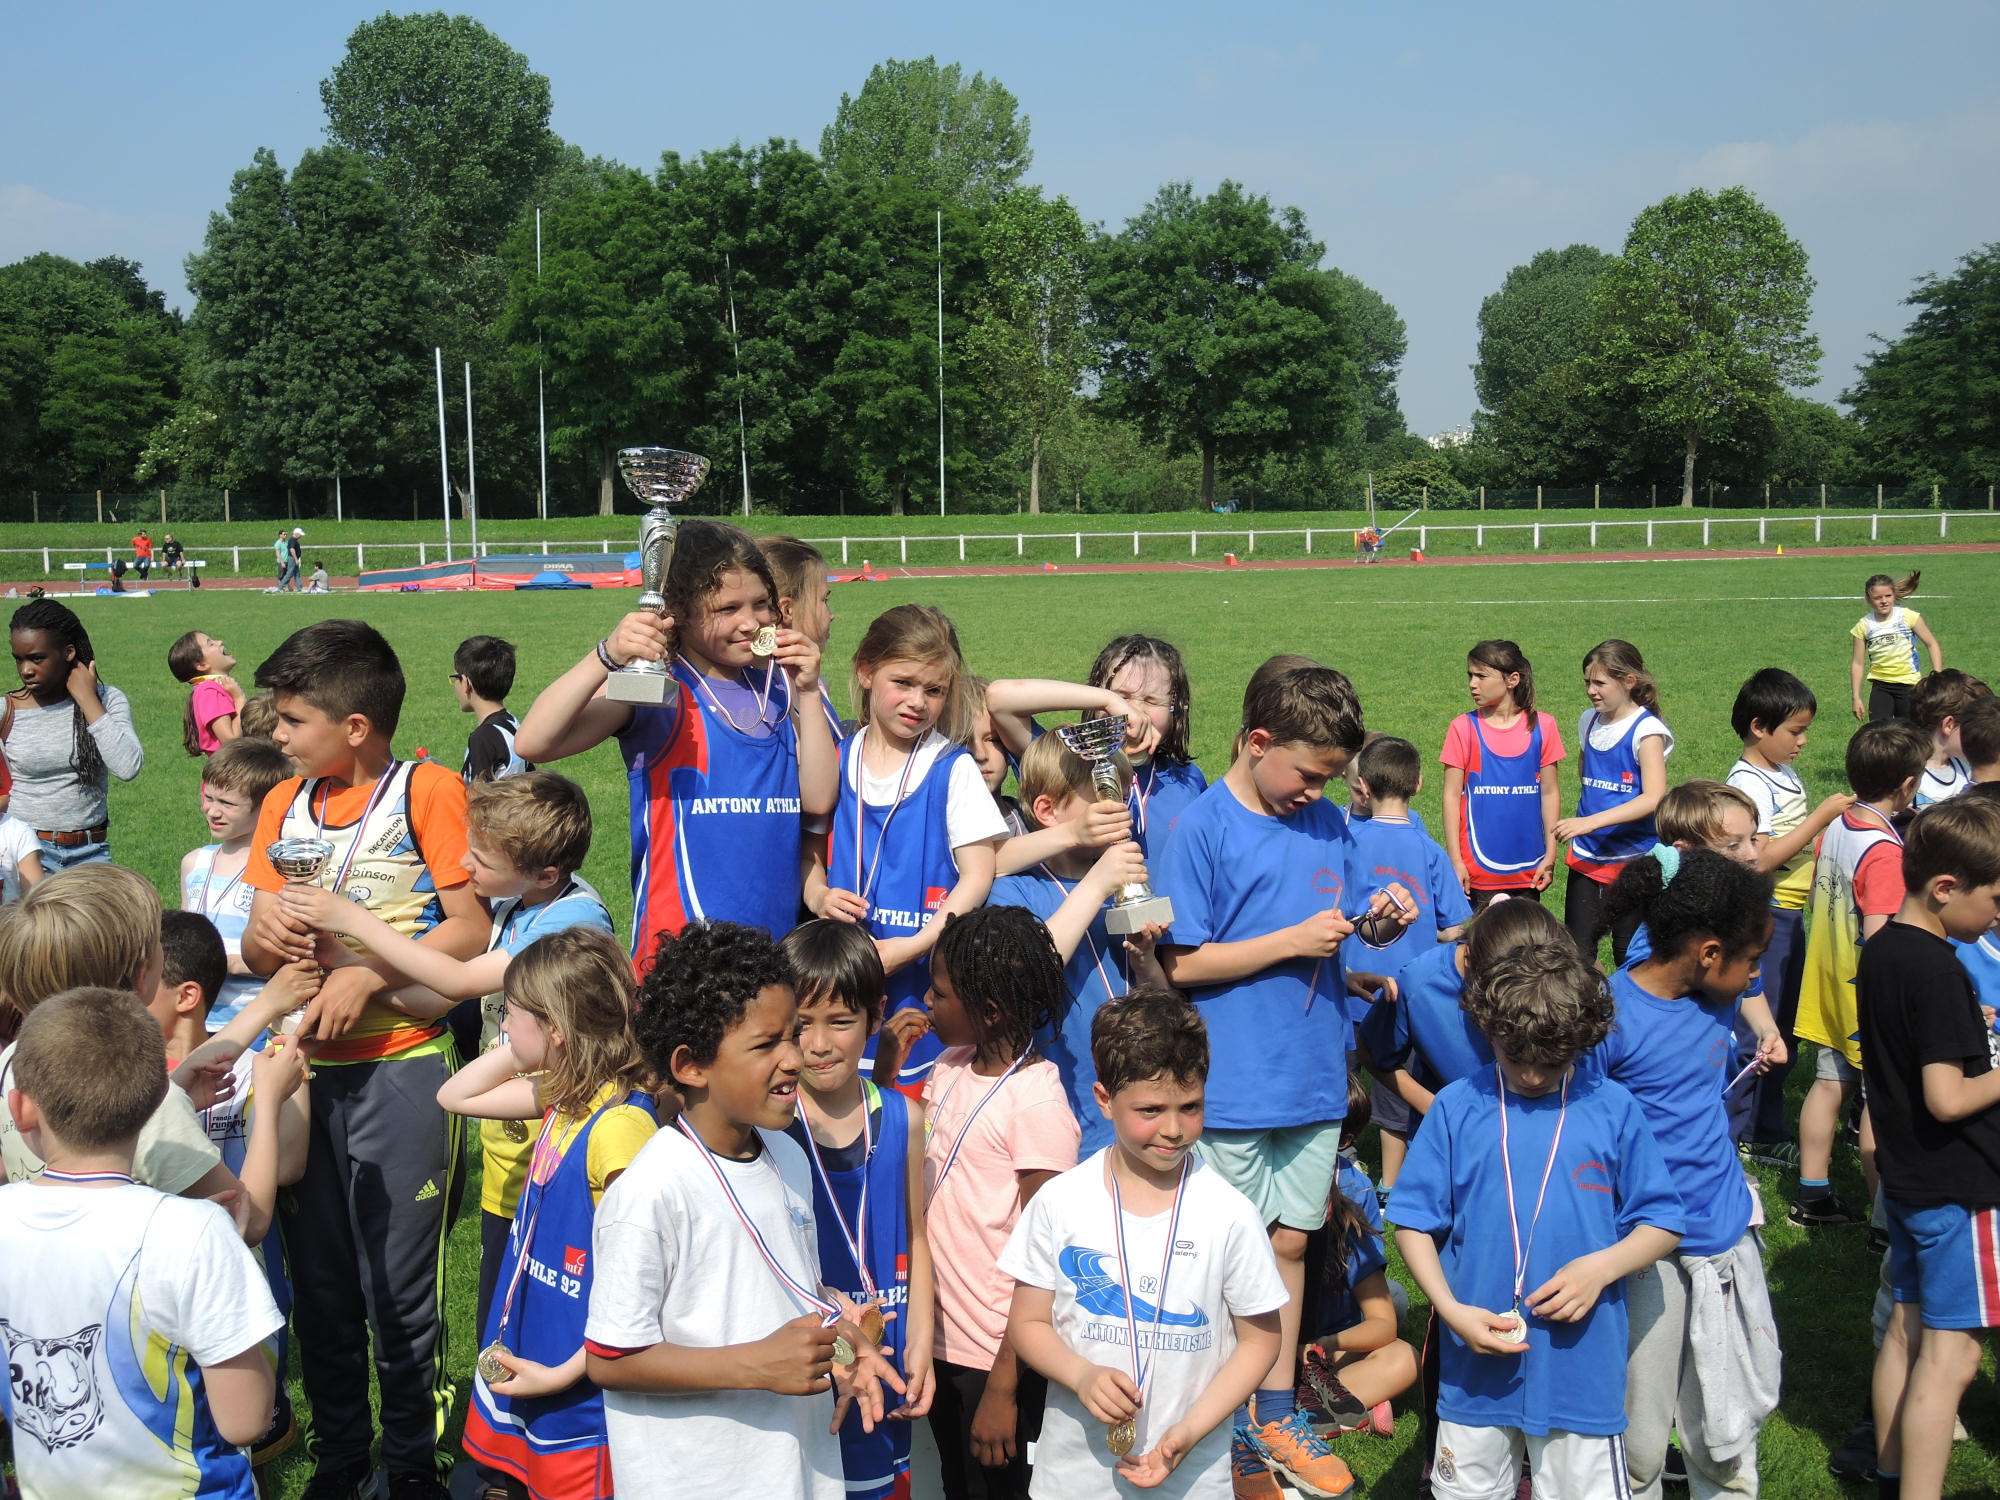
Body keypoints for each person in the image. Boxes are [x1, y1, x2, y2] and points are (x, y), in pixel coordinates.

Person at [239, 618, 488, 1499]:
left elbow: (470, 929)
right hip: (301, 1075)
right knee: (323, 1288)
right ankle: (343, 1462)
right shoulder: (282, 804)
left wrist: (373, 976)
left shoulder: (427, 789)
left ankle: (415, 1463)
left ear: (353, 726)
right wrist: (263, 935)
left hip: (405, 1069)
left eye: (291, 719)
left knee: (401, 1290)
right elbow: (268, 944)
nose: (275, 734)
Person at [1154, 663, 1414, 1492]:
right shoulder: (1201, 828)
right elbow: (1182, 962)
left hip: (1312, 1077)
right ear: (1257, 741)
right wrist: (1292, 943)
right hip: (1232, 1082)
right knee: (1224, 1260)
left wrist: (1376, 924)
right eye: (1306, 774)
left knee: (1292, 1243)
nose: (1317, 791)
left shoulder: (1330, 823)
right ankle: (1220, 1416)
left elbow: (1336, 925)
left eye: (1332, 779)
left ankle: (1273, 1416)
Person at [274, 770, 613, 1344]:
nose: (463, 863)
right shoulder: (522, 902)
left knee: (556, 1299)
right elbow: (435, 994)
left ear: (545, 872)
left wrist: (352, 921)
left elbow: (455, 979)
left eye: (480, 858)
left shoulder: (567, 923)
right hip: (517, 1135)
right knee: (502, 1297)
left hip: (567, 1130)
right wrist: (349, 963)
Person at [584, 920, 902, 1500]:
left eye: (792, 1034)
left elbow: (779, 1289)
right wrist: (756, 1365)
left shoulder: (786, 1154)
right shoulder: (651, 1192)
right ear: (690, 1066)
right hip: (702, 1476)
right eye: (766, 1044)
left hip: (798, 1469)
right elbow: (611, 1358)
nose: (794, 1056)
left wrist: (843, 1337)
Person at [1389, 941, 1685, 1500]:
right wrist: (1450, 1312)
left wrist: (1602, 1268)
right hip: (1475, 1372)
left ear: (1582, 1041)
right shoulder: (1456, 1107)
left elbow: (1663, 1222)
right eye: (1513, 1055)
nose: (1529, 1074)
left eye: (1549, 1062)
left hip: (1581, 1371)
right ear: (1488, 1030)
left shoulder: (1613, 1108)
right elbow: (1410, 1223)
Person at [1002, 989, 1291, 1498]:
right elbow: (1026, 1322)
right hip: (1074, 1476)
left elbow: (1262, 1338)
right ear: (1103, 1099)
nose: (1175, 1129)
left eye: (1191, 1106)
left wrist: (1191, 1428)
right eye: (1152, 1109)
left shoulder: (1230, 1215)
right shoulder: (1060, 1202)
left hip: (1192, 1476)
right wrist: (1082, 1374)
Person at [0, 986, 284, 1499]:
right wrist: (228, 1269)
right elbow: (245, 1420)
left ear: (20, 1110)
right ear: (160, 1104)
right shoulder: (192, 1233)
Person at [517, 519, 836, 970]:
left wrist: (807, 691)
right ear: (679, 611)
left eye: (760, 604)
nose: (750, 622)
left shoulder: (780, 687)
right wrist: (606, 655)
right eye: (727, 609)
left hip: (772, 949)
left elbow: (819, 798)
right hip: (678, 958)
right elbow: (534, 741)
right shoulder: (659, 690)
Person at [1592, 849, 1784, 1499]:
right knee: (1639, 1448)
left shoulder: (1716, 990)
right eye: (1752, 963)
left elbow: (1682, 878)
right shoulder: (1609, 1020)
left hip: (1724, 1242)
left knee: (1724, 1445)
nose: (1757, 977)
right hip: (1647, 1256)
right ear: (1706, 953)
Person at [445, 928, 661, 1500]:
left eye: (511, 1015)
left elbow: (634, 1287)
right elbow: (456, 1096)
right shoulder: (565, 1094)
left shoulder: (618, 1129)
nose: (502, 1027)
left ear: (559, 1031)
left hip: (577, 1385)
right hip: (536, 1356)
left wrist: (563, 1374)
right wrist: (520, 1049)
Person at [0, 865, 287, 1240]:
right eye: (156, 941)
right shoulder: (151, 1107)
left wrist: (175, 1092)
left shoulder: (15, 1058)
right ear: (141, 974)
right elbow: (247, 1221)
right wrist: (269, 1098)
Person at [1856, 797, 2000, 1500]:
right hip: (1960, 1183)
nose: (1999, 914)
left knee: (1907, 1335)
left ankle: (1889, 1477)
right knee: (1952, 1360)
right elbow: (1948, 1098)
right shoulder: (1942, 972)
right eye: (1995, 898)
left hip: (1906, 1178)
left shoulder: (1883, 947)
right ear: (1946, 888)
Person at [812, 605, 1008, 1094]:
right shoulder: (836, 757)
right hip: (839, 997)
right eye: (903, 682)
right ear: (864, 672)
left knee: (913, 1131)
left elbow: (978, 875)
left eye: (934, 690)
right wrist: (817, 894)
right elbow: (806, 849)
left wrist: (916, 945)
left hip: (920, 992)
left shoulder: (952, 767)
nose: (917, 701)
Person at [920, 906, 1080, 1500]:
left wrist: (1005, 1387)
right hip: (938, 1339)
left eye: (939, 994)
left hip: (994, 1356)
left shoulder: (1036, 1106)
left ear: (988, 1011)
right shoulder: (948, 1065)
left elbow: (1045, 1258)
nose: (928, 1003)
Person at [780, 918, 937, 1500]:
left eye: (840, 1022)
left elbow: (916, 1237)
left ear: (876, 1016)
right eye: (801, 1026)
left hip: (888, 1360)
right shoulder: (773, 1127)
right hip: (810, 1365)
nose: (819, 1044)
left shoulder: (904, 1119)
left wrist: (921, 1343)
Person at [989, 731, 1168, 1153]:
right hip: (1056, 1115)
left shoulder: (1124, 878)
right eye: (1103, 798)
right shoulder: (1015, 890)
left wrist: (1146, 963)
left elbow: (1163, 1001)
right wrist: (1097, 883)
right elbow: (1027, 973)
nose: (1120, 812)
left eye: (1122, 797)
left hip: (1135, 1110)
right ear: (1048, 811)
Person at [1793, 719, 1931, 1229]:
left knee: (1829, 1085)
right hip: (1866, 997)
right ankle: (1882, 1221)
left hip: (1827, 981)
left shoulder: (1839, 826)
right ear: (1908, 786)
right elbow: (1881, 938)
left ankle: (1812, 1195)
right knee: (1881, 1103)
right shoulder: (1887, 853)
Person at [1728, 668, 1855, 1166]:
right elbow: (1757, 858)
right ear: (1760, 727)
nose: (1802, 742)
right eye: (1795, 731)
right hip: (1767, 917)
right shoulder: (1748, 784)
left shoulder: (1780, 772)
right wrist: (1820, 819)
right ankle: (1747, 1129)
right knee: (1762, 1028)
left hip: (1792, 914)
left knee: (1785, 1025)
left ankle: (1764, 1122)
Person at [1342, 733, 1471, 1194]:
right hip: (1409, 998)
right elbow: (1455, 925)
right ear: (1418, 785)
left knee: (1342, 1077)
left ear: (1364, 786)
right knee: (1397, 1089)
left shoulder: (1346, 843)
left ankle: (1337, 1166)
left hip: (1349, 989)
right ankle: (1391, 1185)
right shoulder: (1428, 849)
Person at [1297, 1082, 1418, 1446]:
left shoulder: (1355, 1190)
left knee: (1404, 1351)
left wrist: (1322, 1346)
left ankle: (1306, 1406)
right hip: (1265, 1350)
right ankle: (1347, 1402)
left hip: (1323, 1349)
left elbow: (1382, 1325)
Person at [1553, 639, 1672, 965]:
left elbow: (1653, 797)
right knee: (1577, 953)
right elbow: (1586, 771)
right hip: (1588, 855)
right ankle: (1595, 1010)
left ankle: (1627, 1014)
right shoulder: (1588, 721)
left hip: (1633, 860)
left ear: (1628, 682)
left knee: (1627, 954)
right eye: (1587, 682)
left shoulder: (1646, 730)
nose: (1591, 690)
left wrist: (1589, 822)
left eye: (1600, 683)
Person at [5, 598, 144, 869]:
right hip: (26, 855)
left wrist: (87, 699)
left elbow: (128, 767)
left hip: (92, 852)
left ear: (68, 652)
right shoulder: (6, 710)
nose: (26, 670)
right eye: (19, 660)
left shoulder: (107, 699)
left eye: (36, 658)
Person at [1438, 640, 1566, 908]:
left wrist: (1550, 856)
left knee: (1526, 947)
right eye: (1470, 676)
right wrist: (1456, 861)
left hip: (1528, 869)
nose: (1473, 683)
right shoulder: (1463, 728)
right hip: (1477, 873)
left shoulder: (1543, 727)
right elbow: (1451, 797)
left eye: (1481, 676)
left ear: (1512, 680)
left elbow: (1550, 792)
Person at [181, 734, 293, 1031]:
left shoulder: (277, 871)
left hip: (255, 1021)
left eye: (228, 804)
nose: (212, 811)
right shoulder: (194, 863)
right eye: (209, 797)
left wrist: (225, 964)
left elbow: (282, 957)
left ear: (266, 807)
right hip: (196, 1020)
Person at [759, 534, 848, 742]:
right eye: (824, 600)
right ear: (787, 610)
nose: (831, 614)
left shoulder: (808, 681)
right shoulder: (771, 705)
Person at [1851, 570, 1942, 722]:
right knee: (1879, 733)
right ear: (1868, 599)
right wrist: (1856, 697)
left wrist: (1938, 676)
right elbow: (1857, 663)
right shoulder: (1863, 626)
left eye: (1888, 596)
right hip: (1881, 686)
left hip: (1909, 685)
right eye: (1877, 598)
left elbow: (1932, 644)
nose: (1884, 601)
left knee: (1911, 733)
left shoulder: (1908, 617)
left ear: (1894, 595)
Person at [454, 635, 534, 783]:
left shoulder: (482, 738)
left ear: (466, 683)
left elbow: (479, 799)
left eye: (455, 678)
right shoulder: (512, 723)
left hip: (497, 807)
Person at [1909, 669, 1993, 810]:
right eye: (1978, 727)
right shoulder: (1906, 778)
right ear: (1949, 725)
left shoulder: (1966, 770)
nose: (1984, 735)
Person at [169, 627, 246, 755]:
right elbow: (231, 743)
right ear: (202, 665)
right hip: (233, 771)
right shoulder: (209, 692)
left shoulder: (209, 690)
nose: (220, 642)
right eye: (210, 644)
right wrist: (239, 698)